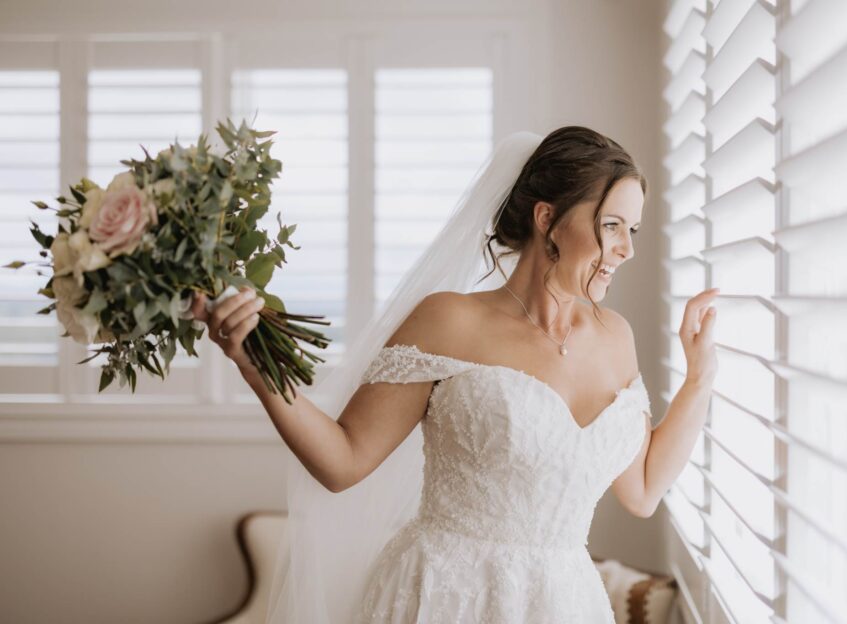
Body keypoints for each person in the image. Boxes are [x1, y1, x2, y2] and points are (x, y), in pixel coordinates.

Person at [191, 126, 717, 623]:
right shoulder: (449, 320)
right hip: (444, 596)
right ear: (546, 218)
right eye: (611, 226)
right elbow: (343, 461)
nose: (627, 248)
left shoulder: (615, 337)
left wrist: (699, 378)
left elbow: (644, 489)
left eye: (632, 230)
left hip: (564, 604)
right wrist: (251, 362)